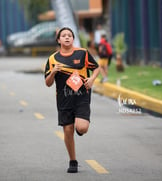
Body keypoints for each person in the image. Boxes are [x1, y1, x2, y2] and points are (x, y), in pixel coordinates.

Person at [44, 27, 100, 173]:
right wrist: (53, 72)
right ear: (59, 40)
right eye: (64, 35)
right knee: (68, 131)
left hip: (82, 96)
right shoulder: (52, 59)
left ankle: (79, 126)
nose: (67, 37)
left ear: (73, 39)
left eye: (70, 35)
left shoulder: (82, 53)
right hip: (64, 100)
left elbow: (96, 68)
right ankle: (73, 161)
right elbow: (48, 83)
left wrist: (92, 79)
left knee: (81, 128)